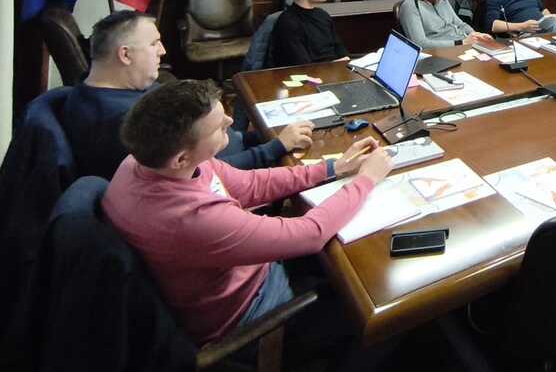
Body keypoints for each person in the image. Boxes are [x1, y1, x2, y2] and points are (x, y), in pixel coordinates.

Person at [102, 79, 392, 345]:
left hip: (236, 268)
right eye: (218, 127)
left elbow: (250, 184)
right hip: (253, 315)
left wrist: (332, 168)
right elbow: (310, 234)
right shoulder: (193, 217)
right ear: (181, 158)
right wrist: (366, 179)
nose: (231, 121)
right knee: (378, 313)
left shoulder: (144, 162)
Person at [61, 10, 311, 179]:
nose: (163, 50)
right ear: (125, 55)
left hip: (233, 145)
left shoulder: (100, 87)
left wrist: (261, 137)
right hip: (234, 174)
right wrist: (274, 147)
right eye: (153, 43)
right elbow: (196, 175)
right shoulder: (123, 120)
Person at [270, 0, 349, 67]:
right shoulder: (288, 23)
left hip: (334, 69)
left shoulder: (322, 14)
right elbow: (301, 65)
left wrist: (345, 60)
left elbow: (338, 47)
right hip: (313, 74)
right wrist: (334, 65)